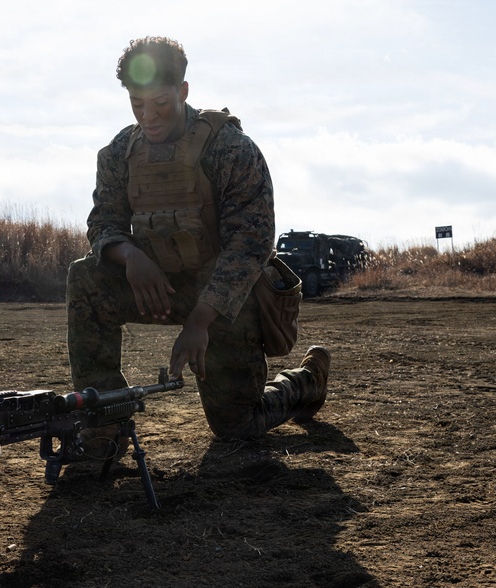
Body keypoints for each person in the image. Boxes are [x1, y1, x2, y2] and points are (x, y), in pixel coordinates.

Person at [66, 36, 330, 447]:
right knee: (85, 277)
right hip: (159, 287)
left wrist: (200, 320)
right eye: (137, 105)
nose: (148, 117)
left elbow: (251, 243)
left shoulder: (230, 149)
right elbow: (103, 223)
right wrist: (130, 254)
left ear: (183, 91)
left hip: (224, 299)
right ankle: (105, 421)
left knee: (236, 427)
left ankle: (304, 384)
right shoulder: (120, 152)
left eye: (160, 104)